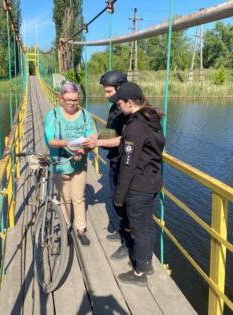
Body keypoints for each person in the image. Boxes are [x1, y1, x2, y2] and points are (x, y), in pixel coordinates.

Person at [108, 82, 165, 286]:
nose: (118, 106)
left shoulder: (134, 127)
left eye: (120, 103)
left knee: (139, 229)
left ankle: (140, 273)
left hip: (138, 186)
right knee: (148, 225)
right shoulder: (152, 118)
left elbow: (129, 164)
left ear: (130, 102)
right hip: (152, 182)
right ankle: (147, 262)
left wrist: (119, 197)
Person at [44, 82, 96, 246]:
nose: (72, 103)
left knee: (79, 197)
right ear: (61, 99)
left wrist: (85, 150)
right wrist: (69, 143)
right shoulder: (52, 115)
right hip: (60, 163)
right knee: (65, 199)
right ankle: (67, 228)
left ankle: (81, 229)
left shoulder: (86, 115)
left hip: (79, 164)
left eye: (75, 99)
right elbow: (50, 141)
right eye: (68, 100)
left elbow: (92, 138)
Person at [96, 70, 131, 260]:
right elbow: (111, 130)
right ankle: (121, 231)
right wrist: (97, 137)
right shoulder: (115, 107)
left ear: (120, 88)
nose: (106, 95)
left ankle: (127, 244)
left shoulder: (127, 109)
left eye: (109, 91)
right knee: (116, 198)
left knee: (123, 201)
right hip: (114, 159)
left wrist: (97, 143)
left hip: (124, 162)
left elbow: (124, 139)